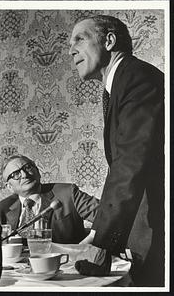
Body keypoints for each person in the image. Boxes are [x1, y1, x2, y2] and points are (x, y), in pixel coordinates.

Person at [69, 15, 164, 286]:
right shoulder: (122, 83)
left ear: (109, 40)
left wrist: (102, 242)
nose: (71, 50)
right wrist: (100, 229)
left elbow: (130, 163)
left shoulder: (137, 78)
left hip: (157, 229)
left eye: (80, 39)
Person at [0, 154, 99, 244]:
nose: (24, 175)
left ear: (38, 172)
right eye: (16, 174)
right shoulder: (2, 209)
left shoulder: (68, 193)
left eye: (27, 167)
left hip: (65, 262)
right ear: (9, 187)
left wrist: (88, 240)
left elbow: (107, 217)